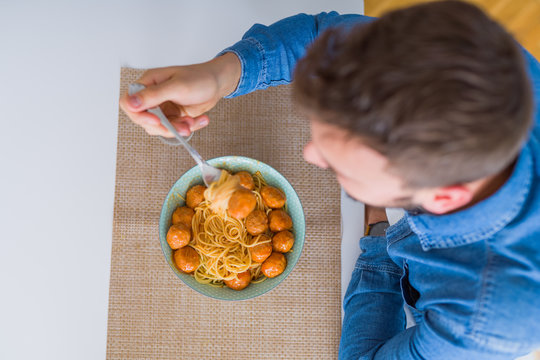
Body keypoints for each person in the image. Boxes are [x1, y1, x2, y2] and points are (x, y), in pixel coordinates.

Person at [120, 1, 540, 358]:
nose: (309, 155)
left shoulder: (487, 317)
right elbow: (328, 40)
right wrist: (222, 73)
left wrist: (377, 243)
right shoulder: (482, 63)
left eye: (343, 167)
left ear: (444, 197)